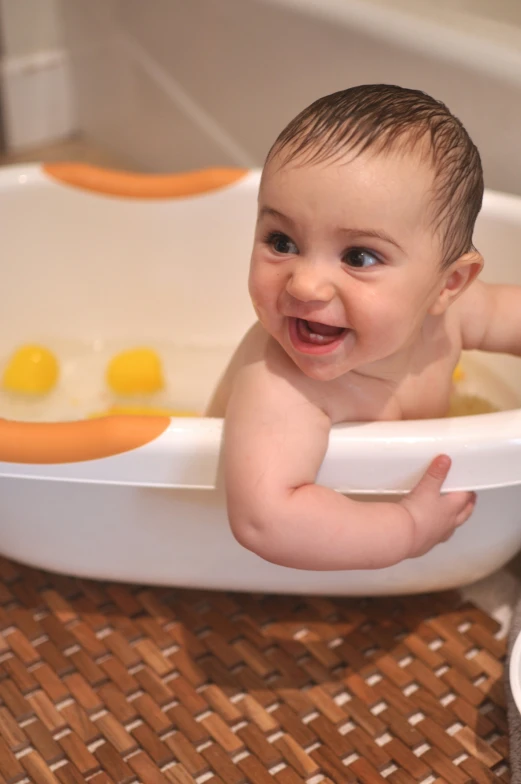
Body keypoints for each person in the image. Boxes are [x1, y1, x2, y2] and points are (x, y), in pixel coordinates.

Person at [206, 84, 517, 571]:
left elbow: (509, 314)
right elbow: (265, 520)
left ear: (447, 284)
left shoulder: (449, 315)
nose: (305, 284)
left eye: (358, 256)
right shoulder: (281, 385)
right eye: (281, 241)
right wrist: (409, 528)